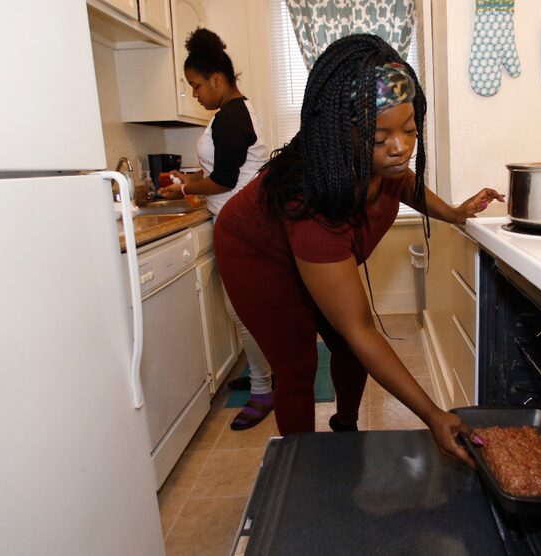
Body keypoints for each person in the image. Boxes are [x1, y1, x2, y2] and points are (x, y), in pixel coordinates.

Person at [214, 34, 503, 466]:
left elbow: (404, 181)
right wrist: (432, 415)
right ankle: (304, 470)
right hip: (256, 252)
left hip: (303, 243)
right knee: (298, 365)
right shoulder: (310, 203)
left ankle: (344, 431)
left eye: (409, 129)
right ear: (340, 131)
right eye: (380, 134)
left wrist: (455, 214)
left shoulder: (382, 162)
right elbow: (361, 328)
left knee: (349, 351)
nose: (400, 147)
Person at [158, 28, 273, 430]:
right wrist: (190, 182)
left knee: (241, 311)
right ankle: (263, 375)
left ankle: (262, 389)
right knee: (245, 309)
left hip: (239, 227)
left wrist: (184, 186)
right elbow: (227, 170)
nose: (194, 94)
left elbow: (223, 179)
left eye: (196, 85)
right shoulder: (237, 113)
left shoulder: (231, 118)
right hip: (242, 223)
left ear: (217, 80)